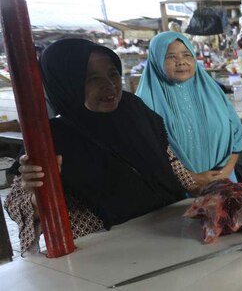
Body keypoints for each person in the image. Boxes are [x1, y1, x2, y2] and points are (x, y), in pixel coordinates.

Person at [4, 39, 193, 253]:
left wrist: (203, 186)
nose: (109, 85)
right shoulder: (49, 137)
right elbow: (15, 205)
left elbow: (167, 159)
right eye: (93, 78)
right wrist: (39, 195)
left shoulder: (134, 111)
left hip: (170, 232)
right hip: (102, 251)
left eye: (113, 74)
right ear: (65, 82)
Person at [136, 32, 242, 187]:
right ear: (156, 60)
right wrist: (190, 179)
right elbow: (147, 153)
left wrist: (226, 171)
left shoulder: (212, 91)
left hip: (225, 182)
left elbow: (237, 134)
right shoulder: (145, 102)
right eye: (171, 57)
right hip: (178, 191)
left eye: (187, 55)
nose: (181, 62)